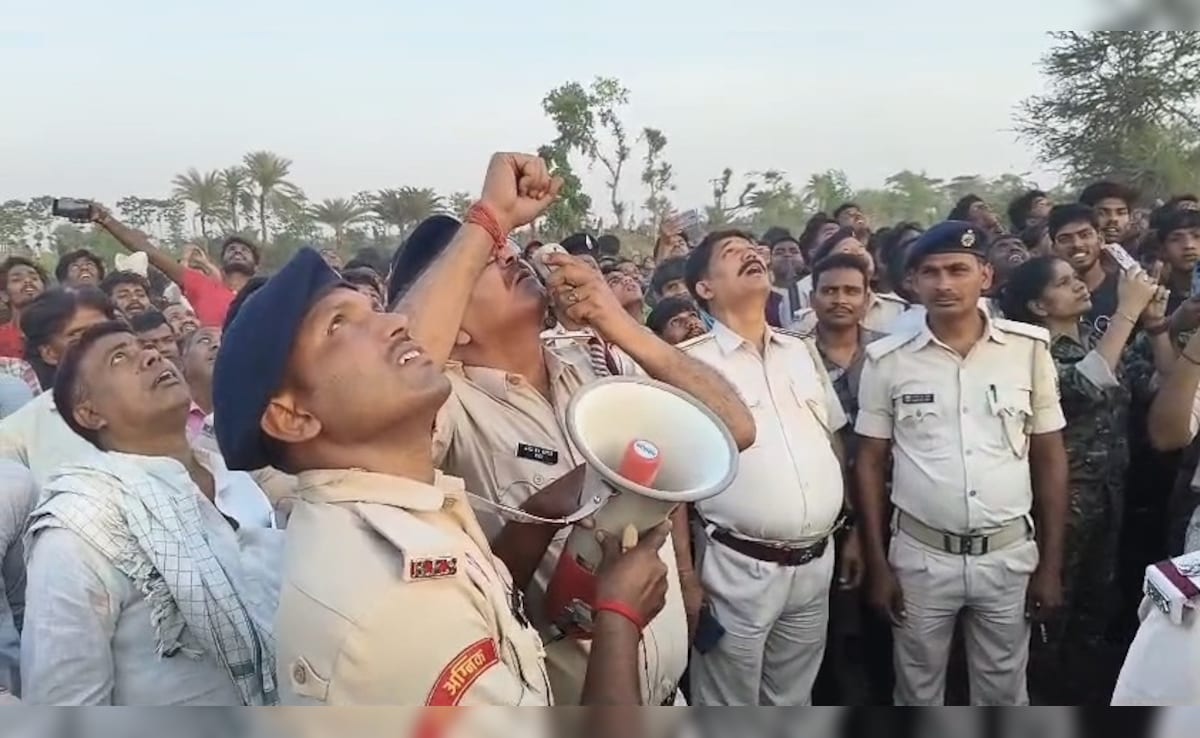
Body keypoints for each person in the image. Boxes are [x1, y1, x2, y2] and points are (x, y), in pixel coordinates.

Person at [214, 153, 674, 709]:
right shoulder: (395, 604)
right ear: (291, 417)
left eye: (372, 310)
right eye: (340, 325)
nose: (395, 322)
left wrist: (491, 219)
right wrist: (619, 616)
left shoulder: (403, 512)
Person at [389, 177, 755, 707]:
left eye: (509, 247)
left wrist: (617, 322)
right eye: (486, 262)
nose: (514, 256)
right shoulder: (448, 408)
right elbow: (402, 373)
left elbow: (734, 429)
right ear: (453, 322)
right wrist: (553, 503)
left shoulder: (595, 358)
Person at [855, 221, 1069, 706]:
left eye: (958, 270)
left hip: (1007, 553)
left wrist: (1050, 564)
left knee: (1005, 690)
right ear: (911, 284)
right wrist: (878, 563)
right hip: (921, 556)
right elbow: (868, 463)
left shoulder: (1027, 348)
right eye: (929, 272)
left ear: (986, 276)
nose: (944, 283)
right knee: (916, 689)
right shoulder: (887, 361)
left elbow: (1050, 456)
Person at [21, 321, 279, 704]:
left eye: (147, 347)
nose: (151, 355)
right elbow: (65, 704)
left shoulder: (234, 479)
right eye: (119, 358)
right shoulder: (84, 527)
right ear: (90, 413)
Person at [679, 229, 855, 706]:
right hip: (738, 568)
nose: (751, 254)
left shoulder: (800, 351)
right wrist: (685, 577)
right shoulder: (689, 366)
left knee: (792, 700)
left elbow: (830, 440)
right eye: (731, 254)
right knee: (728, 708)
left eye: (752, 249)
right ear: (704, 288)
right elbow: (671, 486)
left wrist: (849, 527)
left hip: (816, 562)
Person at [1000, 255, 1166, 704]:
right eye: (1064, 283)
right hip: (1061, 502)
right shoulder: (1030, 353)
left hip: (1110, 494)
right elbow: (1080, 388)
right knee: (1050, 614)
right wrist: (1128, 312)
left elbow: (1154, 383)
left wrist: (1157, 324)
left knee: (1096, 608)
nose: (1078, 286)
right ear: (1037, 304)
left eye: (1077, 279)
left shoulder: (1096, 338)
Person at [1, 288, 117, 486]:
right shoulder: (16, 433)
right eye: (78, 337)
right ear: (49, 353)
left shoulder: (161, 396)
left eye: (105, 331)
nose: (99, 345)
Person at [90, 205, 247, 327]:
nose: (237, 252)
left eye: (245, 250)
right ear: (220, 261)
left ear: (257, 263)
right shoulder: (203, 286)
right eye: (231, 249)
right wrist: (105, 218)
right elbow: (150, 252)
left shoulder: (266, 294)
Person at [792, 228, 907, 332]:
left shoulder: (899, 309)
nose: (857, 252)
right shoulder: (807, 322)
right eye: (846, 249)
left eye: (861, 248)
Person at [1047, 204, 1119, 334]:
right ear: (1054, 249)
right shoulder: (1050, 300)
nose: (1077, 244)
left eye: (1085, 235)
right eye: (1065, 239)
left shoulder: (1126, 289)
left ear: (1101, 240)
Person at [0, 257, 48, 359]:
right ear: (4, 295)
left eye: (34, 278)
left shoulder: (60, 332)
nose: (28, 281)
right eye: (17, 280)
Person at [1079, 181, 1138, 246]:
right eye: (1102, 213)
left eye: (1121, 213)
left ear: (1131, 218)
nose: (1113, 219)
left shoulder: (1143, 253)